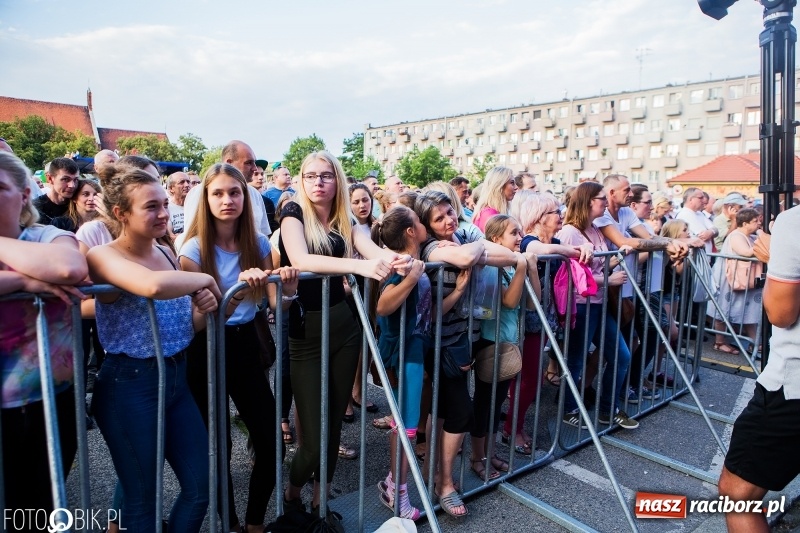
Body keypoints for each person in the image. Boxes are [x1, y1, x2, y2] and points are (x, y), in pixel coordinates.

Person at [86, 164, 220, 533]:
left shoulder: (165, 251)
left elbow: (180, 327)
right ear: (120, 213)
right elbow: (151, 287)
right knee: (141, 499)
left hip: (175, 378)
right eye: (151, 206)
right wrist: (206, 279)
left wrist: (206, 311)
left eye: (164, 203)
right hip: (129, 386)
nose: (163, 213)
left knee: (199, 488)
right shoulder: (102, 256)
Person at [280, 151, 411, 517]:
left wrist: (394, 259)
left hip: (344, 327)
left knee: (336, 422)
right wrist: (363, 265)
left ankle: (321, 500)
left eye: (326, 175)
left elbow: (368, 246)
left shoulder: (345, 217)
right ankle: (292, 497)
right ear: (301, 182)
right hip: (306, 332)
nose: (318, 182)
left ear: (337, 179)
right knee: (312, 439)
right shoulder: (292, 212)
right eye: (310, 176)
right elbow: (301, 260)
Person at [180, 163, 299, 532]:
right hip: (204, 348)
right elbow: (191, 320)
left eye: (234, 192)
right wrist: (234, 295)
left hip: (246, 342)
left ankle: (253, 523)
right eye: (218, 193)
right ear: (205, 198)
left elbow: (275, 305)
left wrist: (289, 288)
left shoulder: (259, 243)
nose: (227, 200)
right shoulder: (194, 249)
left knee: (270, 442)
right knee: (218, 448)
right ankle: (229, 523)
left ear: (246, 198)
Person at [414, 190, 517, 518]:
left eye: (450, 212)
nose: (448, 220)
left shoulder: (459, 237)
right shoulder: (432, 247)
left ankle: (434, 474)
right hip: (440, 343)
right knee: (460, 413)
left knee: (444, 413)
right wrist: (468, 263)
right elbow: (432, 313)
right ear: (427, 226)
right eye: (439, 217)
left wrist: (476, 249)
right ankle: (444, 483)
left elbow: (506, 255)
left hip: (464, 340)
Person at [0, 151, 88, 522]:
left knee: (39, 509)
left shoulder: (47, 235)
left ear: (23, 195)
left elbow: (69, 267)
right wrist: (23, 280)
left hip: (50, 403)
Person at [718, 204, 799, 533]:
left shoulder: (794, 223)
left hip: (792, 385)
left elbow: (781, 314)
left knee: (738, 495)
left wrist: (774, 259)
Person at [505, 191, 592, 452]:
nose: (561, 214)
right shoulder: (528, 241)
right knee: (527, 379)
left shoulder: (555, 240)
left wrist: (582, 248)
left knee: (526, 378)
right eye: (555, 211)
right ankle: (512, 430)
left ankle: (512, 425)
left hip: (544, 319)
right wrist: (578, 250)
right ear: (539, 218)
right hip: (524, 321)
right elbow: (541, 250)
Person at [555, 181, 638, 430]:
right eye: (601, 198)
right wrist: (608, 280)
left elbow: (598, 265)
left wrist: (619, 256)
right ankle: (569, 408)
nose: (605, 202)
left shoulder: (595, 229)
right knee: (577, 360)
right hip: (582, 305)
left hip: (599, 304)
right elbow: (572, 276)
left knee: (622, 356)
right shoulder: (569, 232)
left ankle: (607, 410)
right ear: (589, 201)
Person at [470, 215, 539, 480]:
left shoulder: (511, 265)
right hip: (490, 340)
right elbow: (510, 302)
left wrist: (529, 268)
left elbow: (532, 304)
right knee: (484, 403)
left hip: (508, 340)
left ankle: (490, 453)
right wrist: (522, 266)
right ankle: (478, 457)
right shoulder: (492, 266)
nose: (520, 237)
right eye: (514, 233)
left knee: (496, 402)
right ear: (497, 239)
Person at [372, 205, 431, 521]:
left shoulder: (412, 262)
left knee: (403, 425)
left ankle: (395, 483)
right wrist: (411, 278)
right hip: (404, 353)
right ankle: (397, 490)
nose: (422, 226)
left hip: (414, 351)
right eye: (419, 222)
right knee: (406, 428)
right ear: (411, 231)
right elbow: (382, 306)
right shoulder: (402, 266)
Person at [181, 140, 271, 248]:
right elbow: (191, 237)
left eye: (235, 193)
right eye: (248, 163)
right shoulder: (197, 193)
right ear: (229, 163)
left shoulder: (255, 194)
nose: (255, 168)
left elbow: (264, 235)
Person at [710, 208, 763, 355]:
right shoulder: (736, 236)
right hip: (729, 280)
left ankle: (755, 342)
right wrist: (762, 240)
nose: (759, 223)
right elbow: (745, 253)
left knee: (748, 310)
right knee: (723, 310)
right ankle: (719, 342)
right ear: (745, 223)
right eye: (755, 221)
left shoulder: (749, 235)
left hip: (743, 280)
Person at [33, 157, 80, 225]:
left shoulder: (79, 205)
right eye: (65, 179)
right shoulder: (34, 209)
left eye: (75, 180)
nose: (72, 185)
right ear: (50, 179)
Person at [471, 166, 518, 232]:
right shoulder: (490, 214)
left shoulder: (493, 211)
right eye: (512, 183)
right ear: (499, 185)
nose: (516, 187)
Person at [676, 187, 717, 253]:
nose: (704, 201)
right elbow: (704, 235)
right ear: (691, 199)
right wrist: (711, 231)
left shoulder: (699, 213)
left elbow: (716, 230)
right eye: (700, 198)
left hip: (704, 258)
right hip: (694, 259)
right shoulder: (685, 214)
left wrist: (711, 232)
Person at [166, 172, 192, 238]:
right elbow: (171, 236)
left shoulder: (197, 206)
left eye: (188, 182)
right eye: (181, 182)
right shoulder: (166, 208)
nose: (187, 185)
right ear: (171, 188)